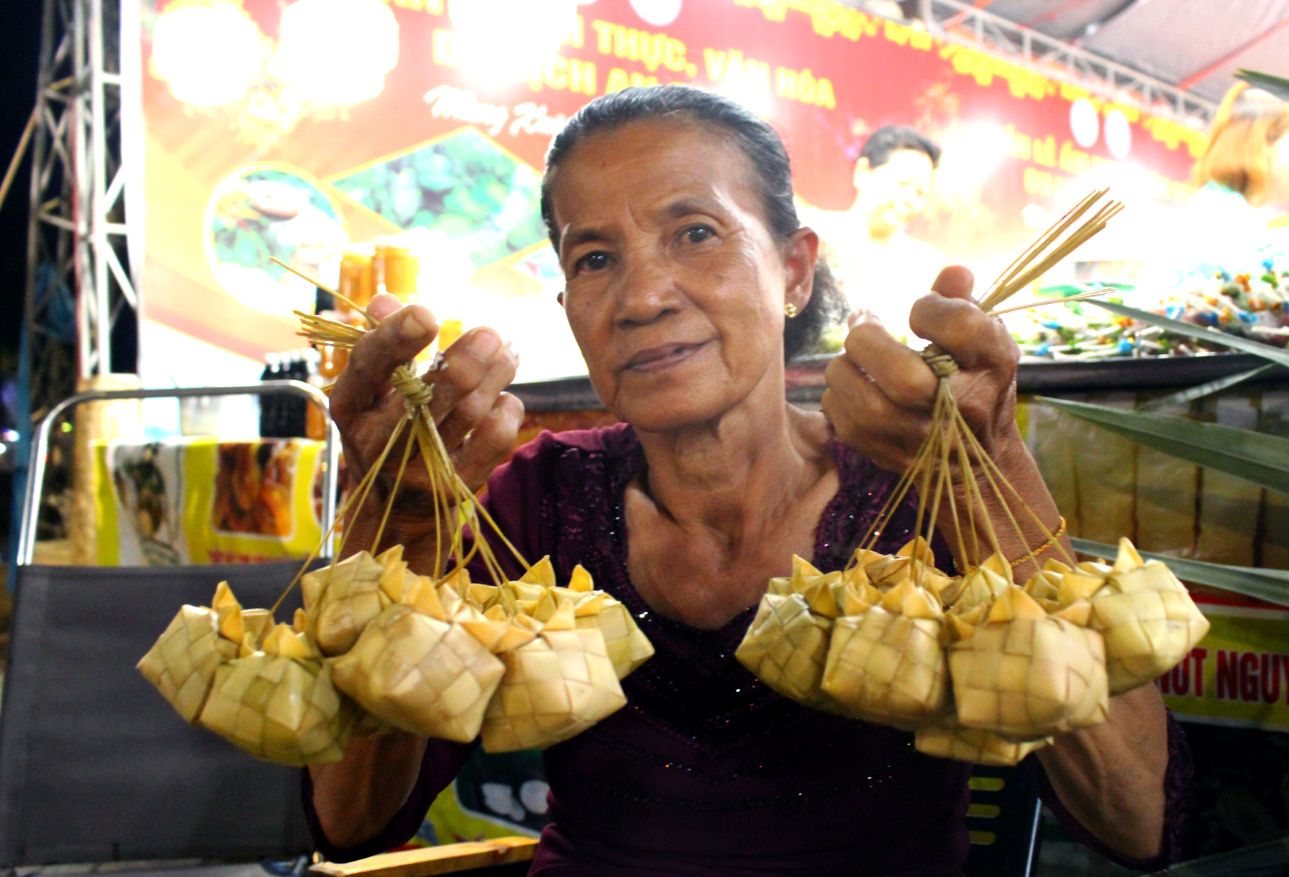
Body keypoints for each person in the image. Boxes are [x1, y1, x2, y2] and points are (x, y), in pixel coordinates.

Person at [306, 85, 1189, 875]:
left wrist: (988, 470)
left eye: (695, 232)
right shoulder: (540, 500)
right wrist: (397, 524)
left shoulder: (913, 489)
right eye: (594, 258)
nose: (643, 295)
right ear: (568, 303)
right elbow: (354, 821)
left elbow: (1137, 820)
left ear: (794, 270)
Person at [805, 125, 946, 344]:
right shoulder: (812, 235)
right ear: (863, 172)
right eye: (903, 183)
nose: (909, 198)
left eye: (920, 192)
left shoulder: (926, 263)